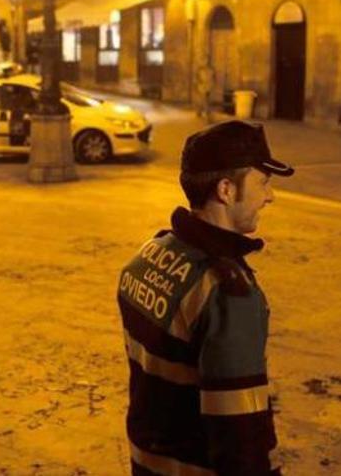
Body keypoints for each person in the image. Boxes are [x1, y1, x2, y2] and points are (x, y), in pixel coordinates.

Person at [117, 121, 293, 475]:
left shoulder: (147, 255)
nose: (269, 196)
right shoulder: (228, 294)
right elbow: (238, 442)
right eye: (262, 183)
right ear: (226, 190)